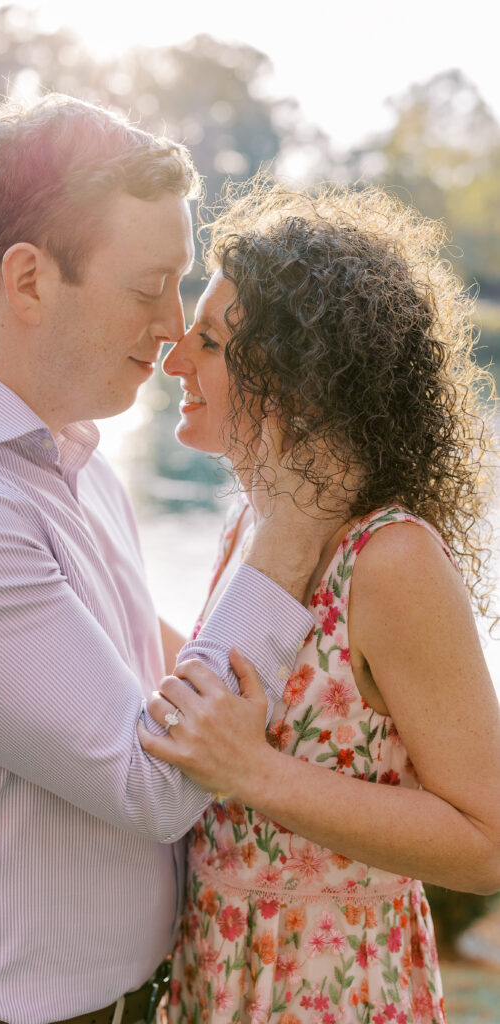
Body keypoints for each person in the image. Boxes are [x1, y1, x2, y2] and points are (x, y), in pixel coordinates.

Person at [0, 97, 337, 1024]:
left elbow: (154, 663)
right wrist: (287, 535)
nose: (174, 330)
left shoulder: (65, 451)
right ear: (27, 281)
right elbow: (151, 781)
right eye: (149, 288)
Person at [139, 182, 500, 1024]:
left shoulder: (388, 559)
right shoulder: (259, 527)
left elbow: (489, 840)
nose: (174, 359)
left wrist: (255, 774)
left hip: (329, 993)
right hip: (217, 978)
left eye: (213, 341)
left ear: (298, 376)